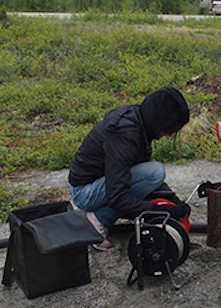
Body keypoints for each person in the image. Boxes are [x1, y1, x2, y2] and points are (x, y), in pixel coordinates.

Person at [68, 86, 192, 250]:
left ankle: (98, 214)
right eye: (170, 129)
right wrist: (160, 211)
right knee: (155, 172)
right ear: (160, 120)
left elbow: (140, 174)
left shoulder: (140, 121)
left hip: (99, 182)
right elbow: (118, 197)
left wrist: (173, 201)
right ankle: (97, 221)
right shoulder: (126, 135)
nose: (168, 135)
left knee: (152, 173)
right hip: (84, 192)